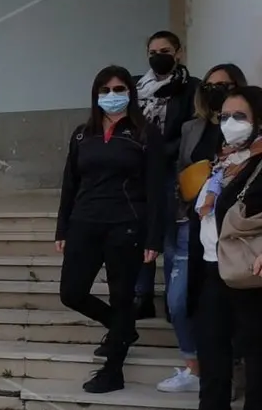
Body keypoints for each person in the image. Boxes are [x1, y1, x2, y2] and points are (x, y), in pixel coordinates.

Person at [55, 65, 165, 394]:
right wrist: (62, 227)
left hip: (126, 226)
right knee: (71, 293)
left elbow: (157, 189)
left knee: (121, 297)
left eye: (119, 89)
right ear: (95, 95)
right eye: (105, 90)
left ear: (130, 93)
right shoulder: (81, 134)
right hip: (84, 224)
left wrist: (153, 236)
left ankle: (113, 370)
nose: (112, 96)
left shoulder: (145, 133)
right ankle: (122, 329)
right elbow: (70, 184)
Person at [158, 63, 247, 393]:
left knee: (231, 304)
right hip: (190, 224)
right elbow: (181, 171)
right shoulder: (191, 129)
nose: (215, 91)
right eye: (209, 86)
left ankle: (232, 368)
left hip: (234, 229)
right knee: (180, 301)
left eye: (223, 85)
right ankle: (194, 367)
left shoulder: (247, 130)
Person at [191, 85, 262, 409]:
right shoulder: (223, 160)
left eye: (240, 116)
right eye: (225, 116)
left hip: (250, 275)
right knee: (212, 356)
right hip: (214, 269)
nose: (231, 123)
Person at [134, 31, 200, 320]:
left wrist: (160, 151)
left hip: (173, 170)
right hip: (140, 171)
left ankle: (174, 298)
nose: (158, 56)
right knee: (141, 231)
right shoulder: (137, 87)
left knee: (172, 236)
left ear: (179, 52)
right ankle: (141, 295)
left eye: (164, 50)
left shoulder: (192, 88)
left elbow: (190, 130)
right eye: (152, 51)